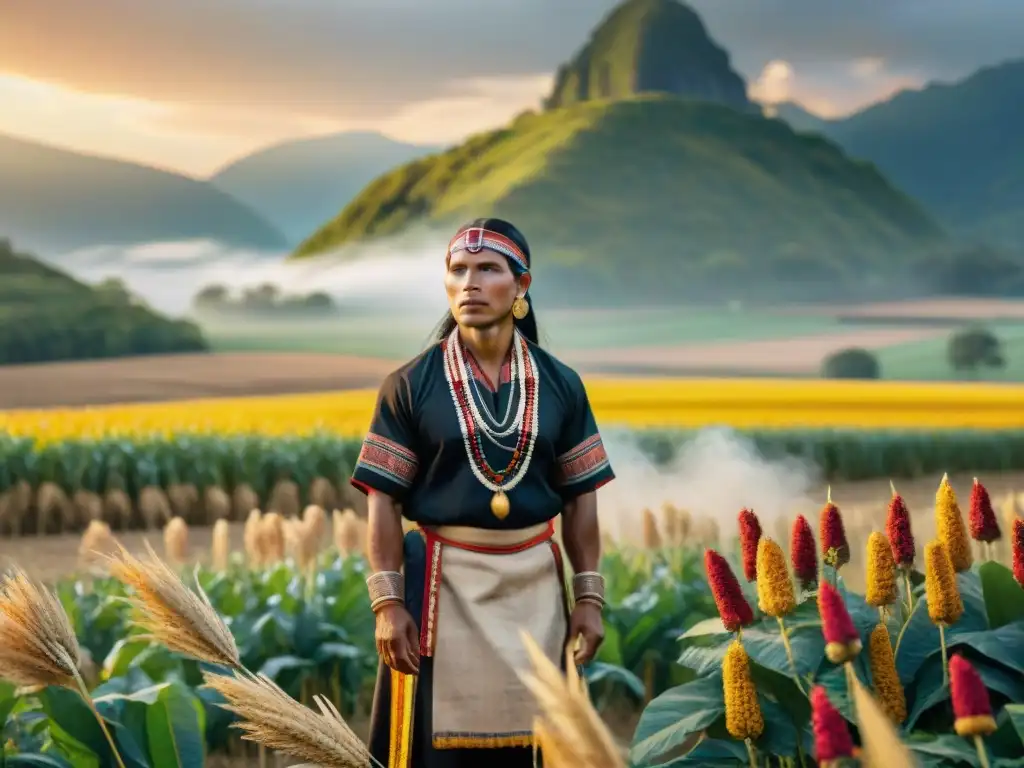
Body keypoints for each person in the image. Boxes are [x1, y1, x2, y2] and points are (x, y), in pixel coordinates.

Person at [350, 217, 615, 768]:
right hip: (439, 594)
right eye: (458, 270)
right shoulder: (409, 385)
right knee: (430, 751)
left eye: (488, 269)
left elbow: (581, 497)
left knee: (543, 746)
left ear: (522, 285)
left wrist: (588, 596)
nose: (469, 282)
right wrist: (388, 602)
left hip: (536, 589)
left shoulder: (561, 383)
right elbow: (382, 500)